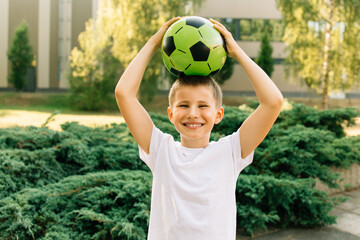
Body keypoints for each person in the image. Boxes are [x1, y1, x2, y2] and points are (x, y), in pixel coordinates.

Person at [115, 17, 283, 240]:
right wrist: (154, 43)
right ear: (171, 114)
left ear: (218, 115)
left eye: (203, 106)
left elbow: (273, 102)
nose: (193, 113)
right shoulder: (160, 149)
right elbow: (124, 93)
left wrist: (237, 53)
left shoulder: (230, 152)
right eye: (184, 105)